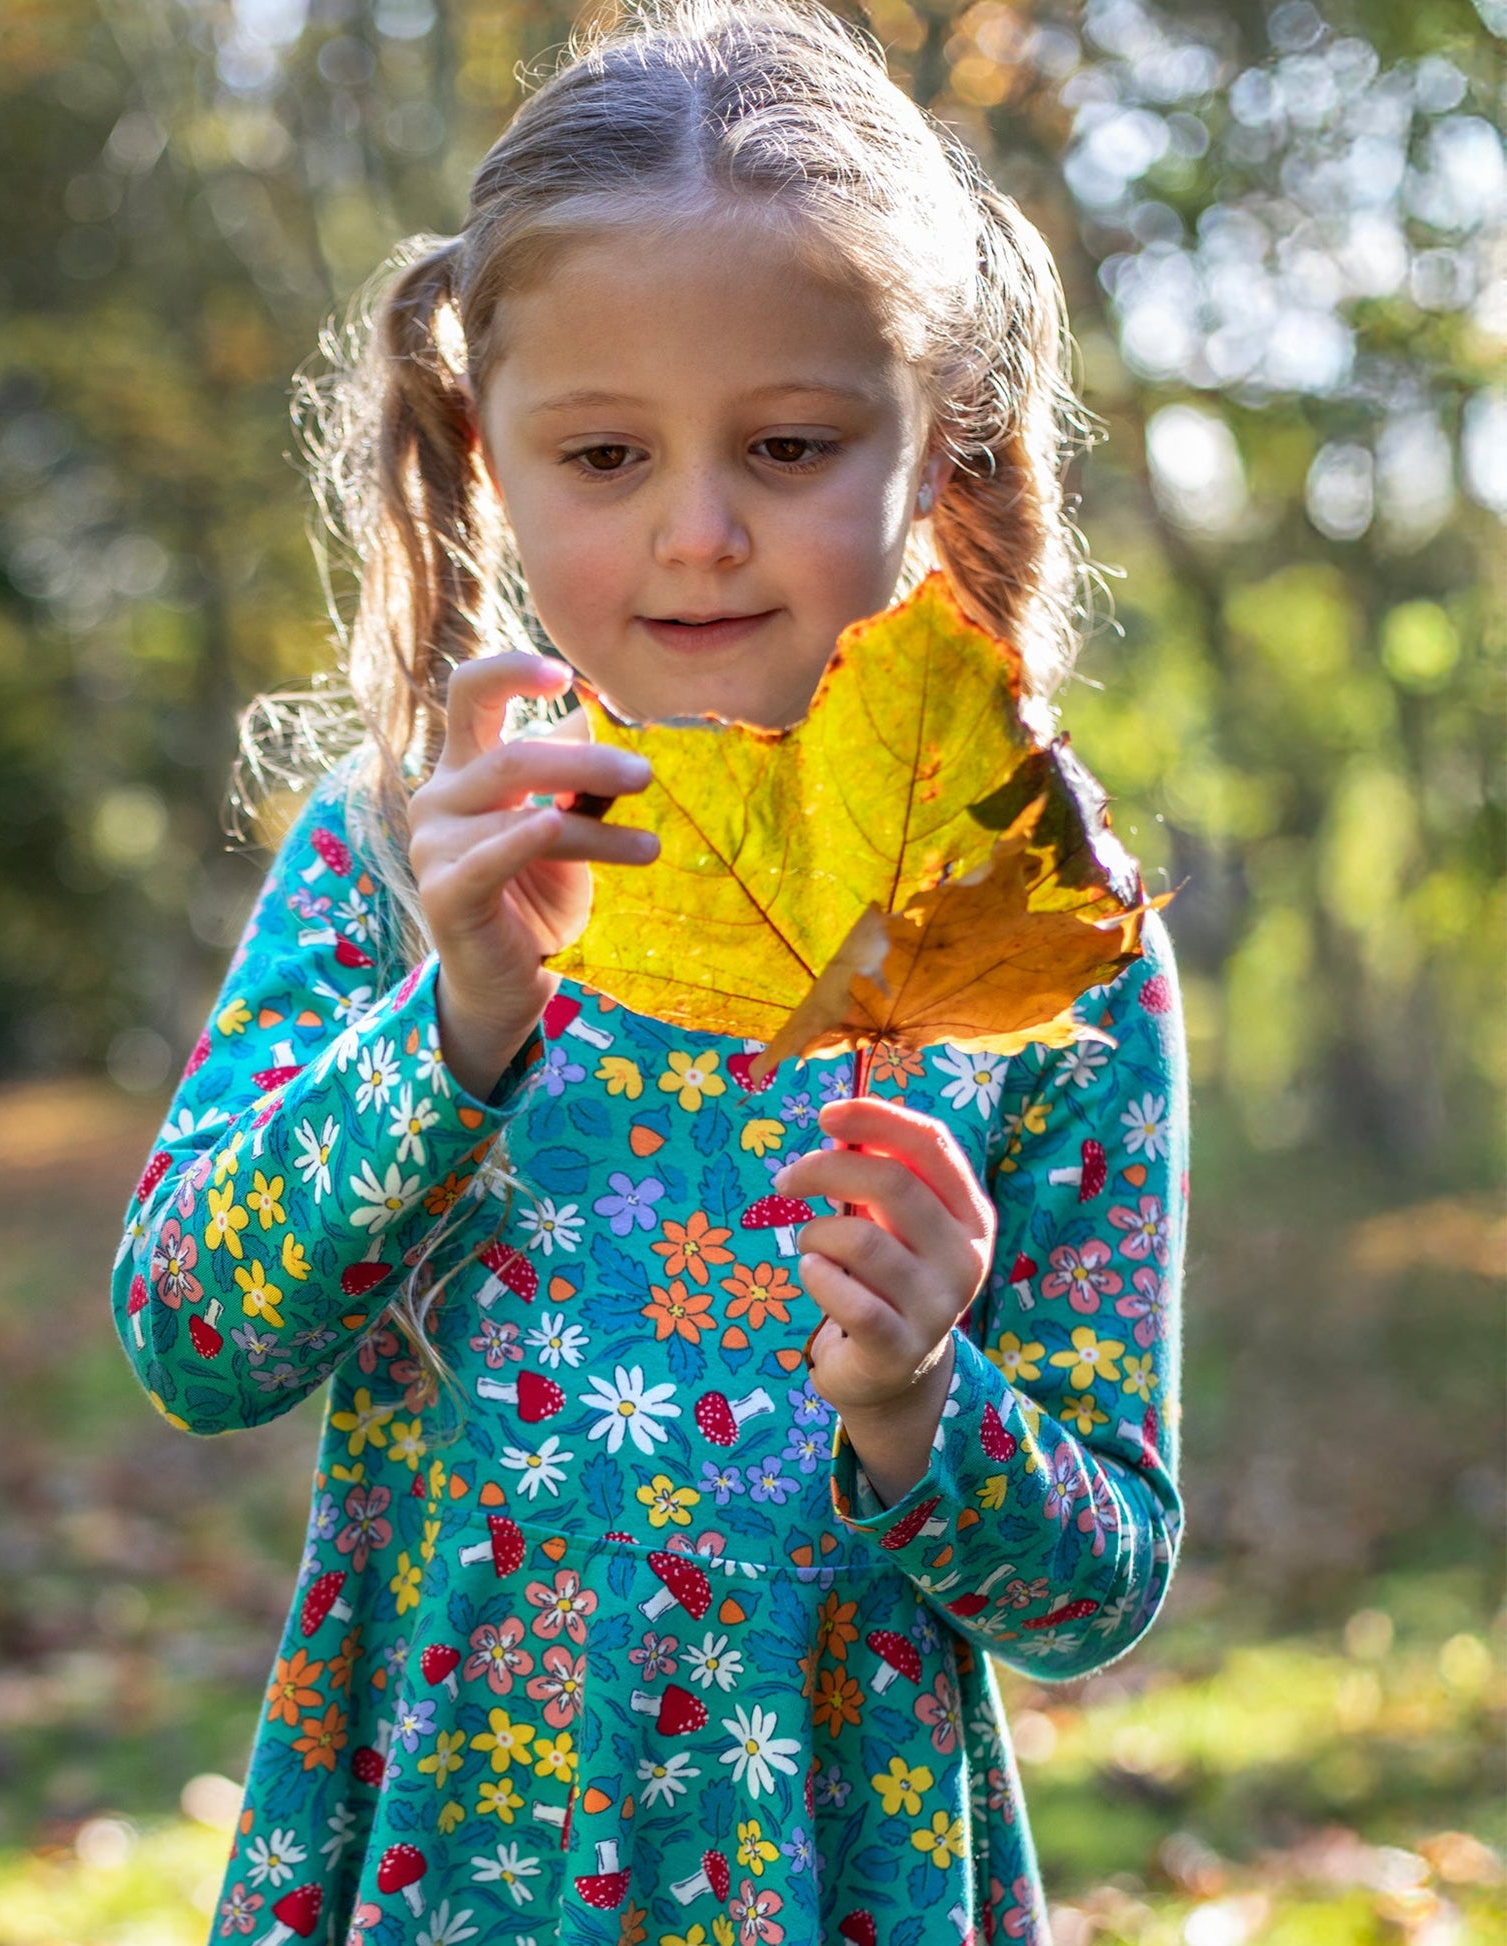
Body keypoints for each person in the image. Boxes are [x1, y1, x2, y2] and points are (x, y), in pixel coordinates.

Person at [111, 4, 1187, 1941]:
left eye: (786, 445)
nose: (696, 533)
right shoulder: (406, 854)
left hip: (838, 1865)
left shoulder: (1033, 931)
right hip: (446, 1847)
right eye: (602, 454)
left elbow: (1096, 1586)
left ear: (930, 433)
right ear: (483, 452)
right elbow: (195, 1339)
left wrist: (921, 1398)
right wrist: (453, 1025)